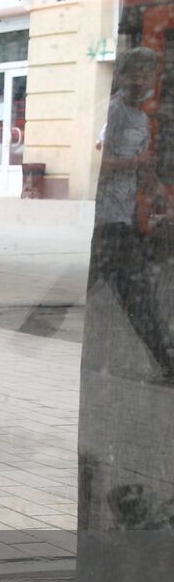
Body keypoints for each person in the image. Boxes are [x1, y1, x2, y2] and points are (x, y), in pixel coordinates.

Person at [89, 45, 174, 380]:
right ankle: (166, 360)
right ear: (120, 76)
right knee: (137, 291)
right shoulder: (114, 113)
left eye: (146, 74)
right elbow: (97, 163)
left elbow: (143, 169)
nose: (140, 80)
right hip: (106, 220)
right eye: (133, 73)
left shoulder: (141, 118)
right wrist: (135, 164)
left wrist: (158, 196)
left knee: (129, 290)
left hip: (121, 218)